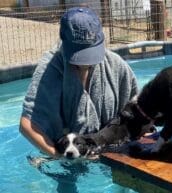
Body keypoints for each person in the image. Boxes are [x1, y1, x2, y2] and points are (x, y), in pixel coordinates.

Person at [19, 7, 138, 158]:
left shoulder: (115, 64)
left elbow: (137, 108)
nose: (85, 64)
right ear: (63, 42)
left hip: (105, 147)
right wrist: (58, 156)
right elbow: (27, 125)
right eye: (78, 57)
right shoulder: (50, 68)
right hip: (64, 152)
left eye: (90, 53)